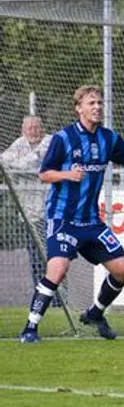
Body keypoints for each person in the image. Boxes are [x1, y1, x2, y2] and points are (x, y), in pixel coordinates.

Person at [19, 85, 124, 343]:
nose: (97, 107)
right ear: (78, 108)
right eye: (91, 103)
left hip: (92, 222)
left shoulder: (108, 138)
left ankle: (95, 313)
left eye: (100, 103)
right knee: (57, 270)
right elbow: (44, 173)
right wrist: (67, 174)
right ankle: (30, 328)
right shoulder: (64, 138)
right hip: (63, 220)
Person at [1, 116, 52, 292]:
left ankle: (58, 298)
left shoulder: (49, 141)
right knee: (36, 259)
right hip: (29, 214)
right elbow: (3, 161)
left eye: (36, 127)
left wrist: (19, 167)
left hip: (50, 211)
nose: (33, 131)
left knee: (53, 258)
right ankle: (41, 294)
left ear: (42, 128)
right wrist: (28, 167)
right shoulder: (20, 143)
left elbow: (36, 163)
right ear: (23, 130)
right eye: (29, 128)